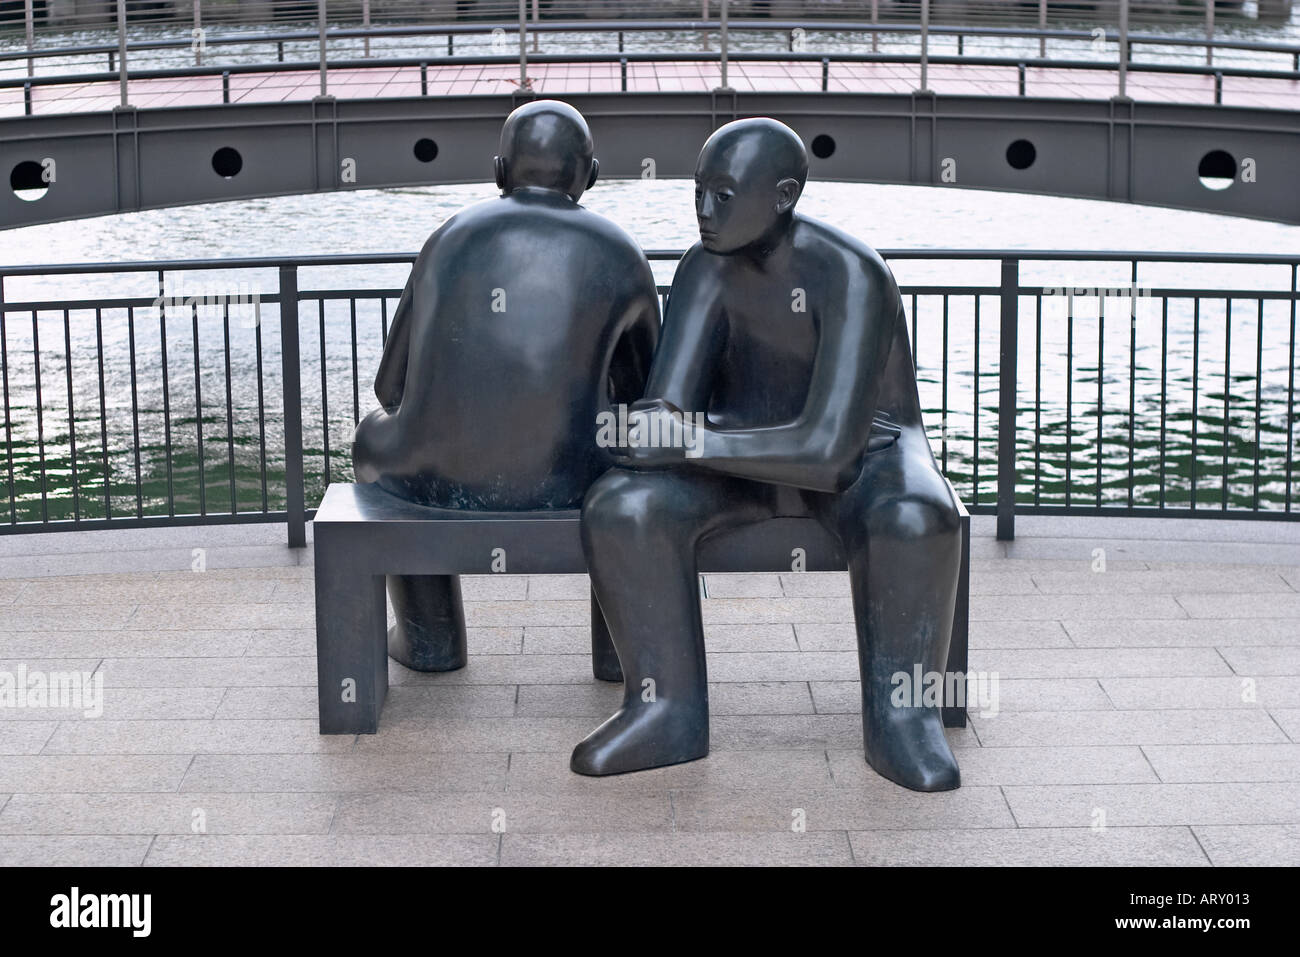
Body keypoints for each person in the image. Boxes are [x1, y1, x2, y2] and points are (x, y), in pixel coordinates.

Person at [574, 117, 963, 792]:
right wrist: (667, 431)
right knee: (623, 505)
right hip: (741, 451)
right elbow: (668, 409)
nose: (703, 211)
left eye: (723, 195)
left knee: (914, 517)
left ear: (783, 195)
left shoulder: (853, 274)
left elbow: (829, 456)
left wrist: (690, 440)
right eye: (699, 192)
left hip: (869, 456)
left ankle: (903, 715)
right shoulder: (705, 267)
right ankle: (663, 707)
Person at [352, 99, 660, 673]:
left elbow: (388, 389)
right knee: (634, 452)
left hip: (439, 475)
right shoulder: (621, 252)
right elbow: (647, 399)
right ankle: (620, 649)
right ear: (590, 177)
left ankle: (431, 639)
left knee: (372, 441)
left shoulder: (447, 239)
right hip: (577, 480)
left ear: (499, 170)